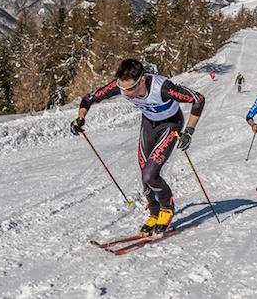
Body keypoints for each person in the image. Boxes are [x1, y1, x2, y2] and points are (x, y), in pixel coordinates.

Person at [71, 58, 205, 235]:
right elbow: (89, 98)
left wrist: (189, 131)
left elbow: (198, 99)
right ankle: (154, 212)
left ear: (142, 80)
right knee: (144, 173)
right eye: (122, 88)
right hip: (149, 124)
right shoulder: (122, 87)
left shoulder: (163, 88)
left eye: (130, 89)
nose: (125, 93)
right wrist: (80, 118)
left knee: (150, 174)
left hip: (171, 124)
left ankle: (167, 207)